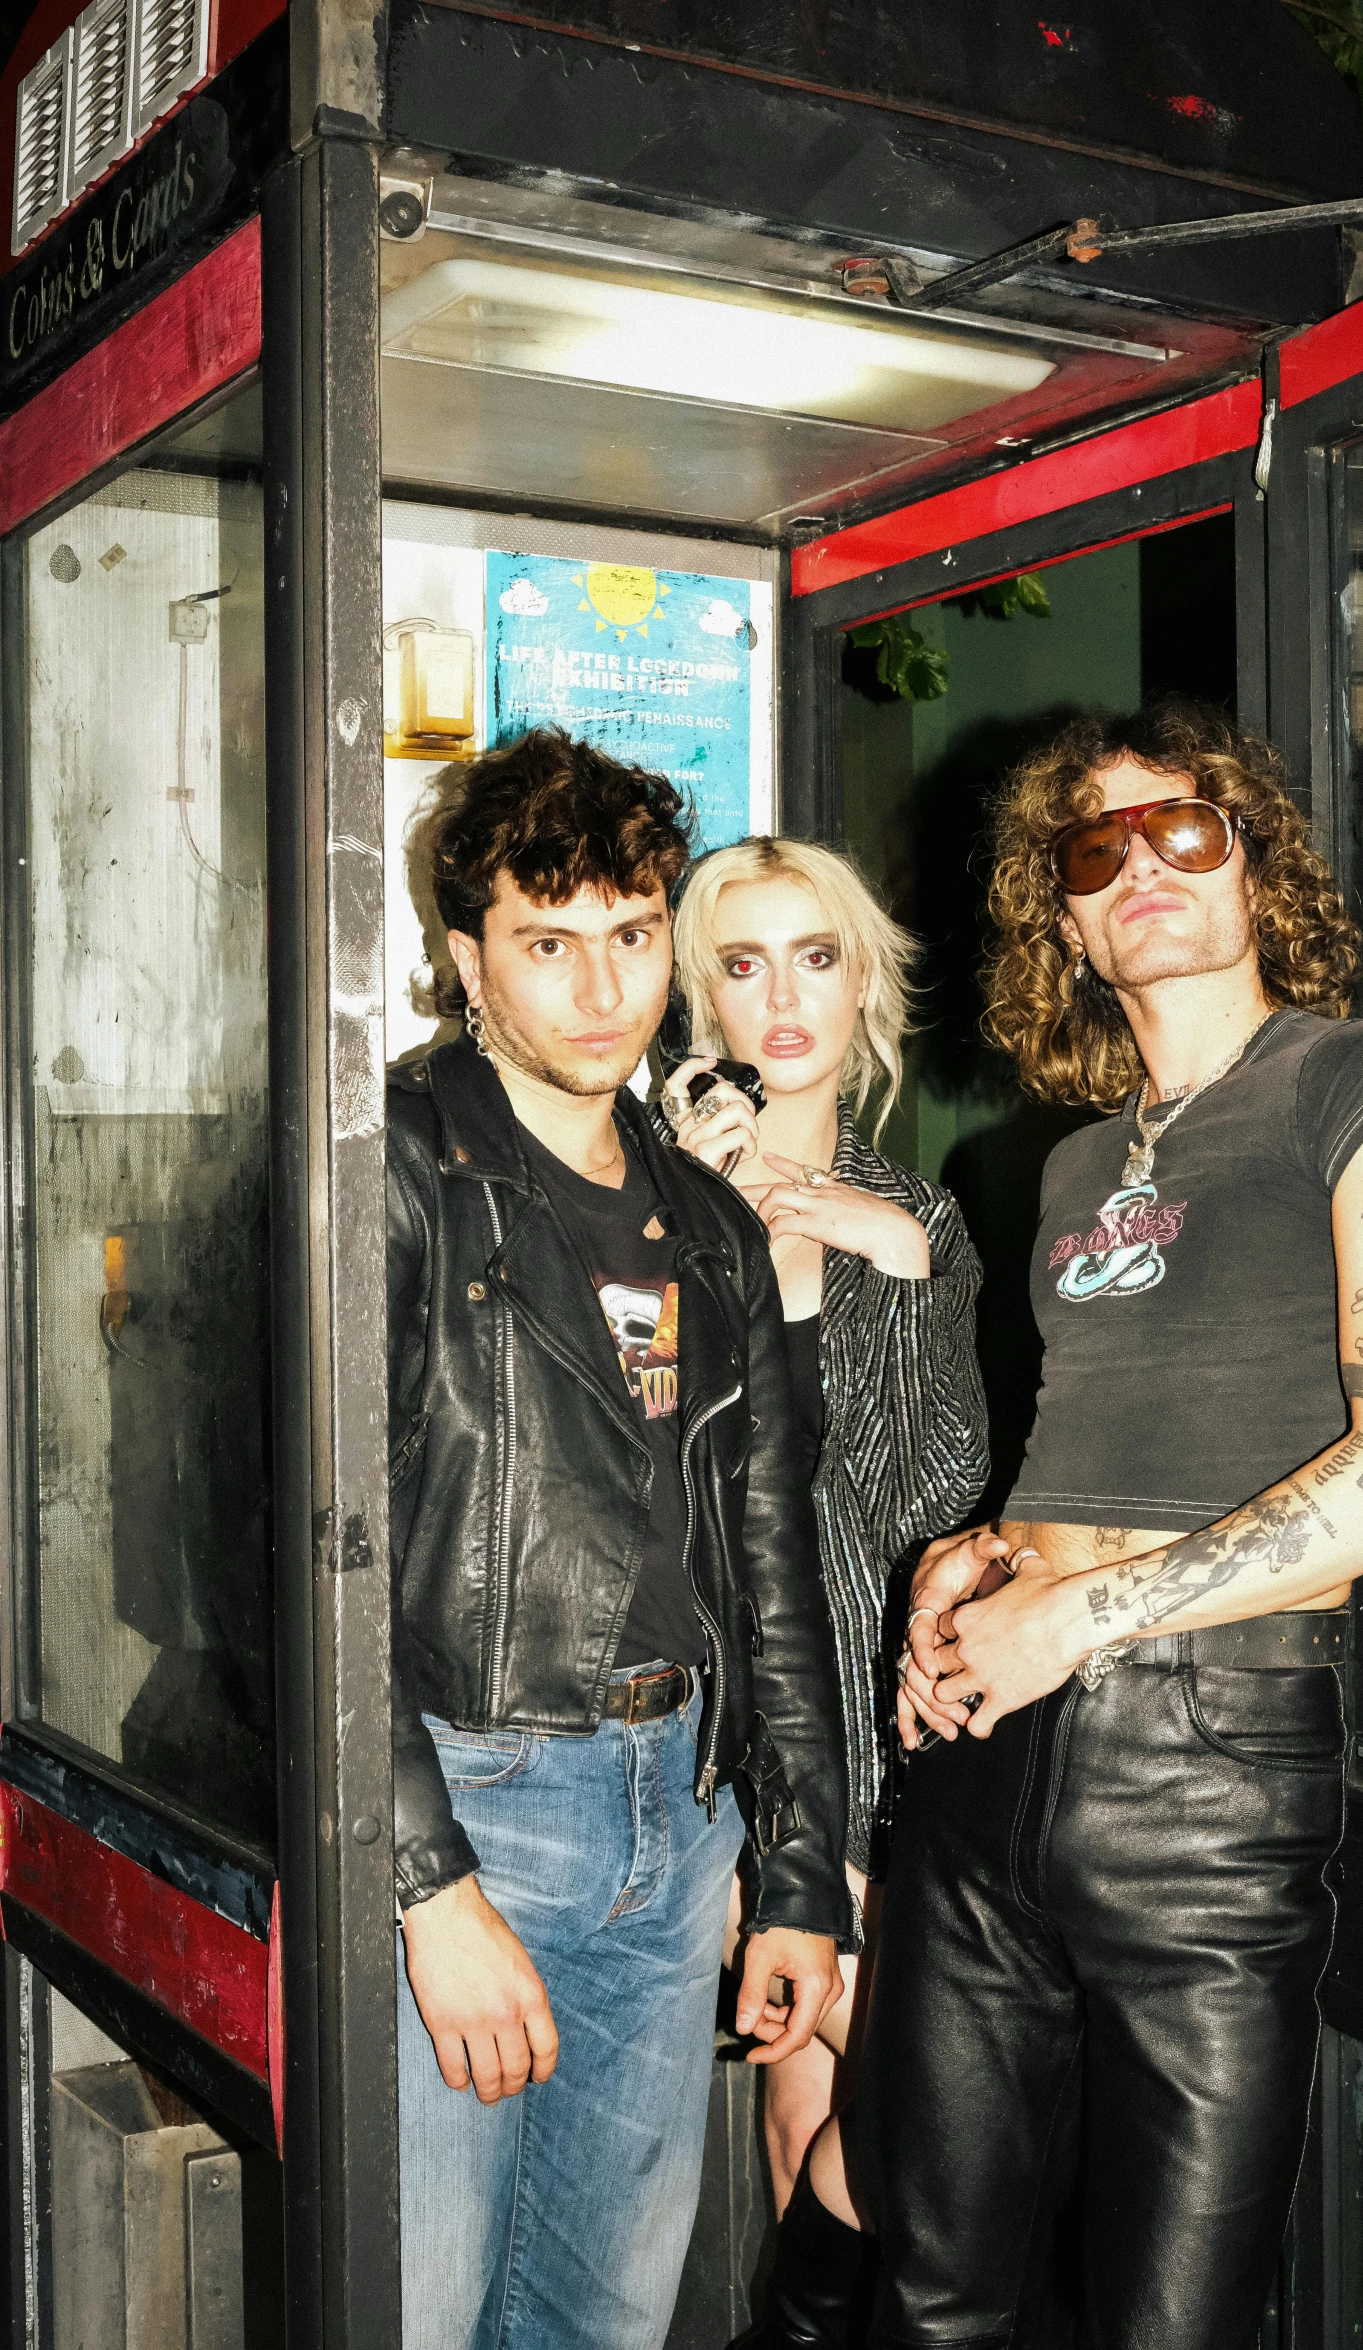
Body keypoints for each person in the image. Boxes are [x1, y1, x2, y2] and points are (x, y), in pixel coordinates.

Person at [865, 703, 1363, 2350]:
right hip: (986, 1747)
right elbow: (1100, 1437)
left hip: (1207, 1774)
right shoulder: (1074, 1163)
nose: (1139, 861)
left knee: (1172, 2322)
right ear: (1058, 918)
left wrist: (1070, 1614)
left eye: (1184, 829)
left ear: (1254, 863)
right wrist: (985, 1554)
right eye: (1094, 848)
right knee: (929, 2299)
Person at [387, 731, 853, 2350]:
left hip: (682, 1817)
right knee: (417, 2308)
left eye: (632, 933)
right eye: (546, 940)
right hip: (471, 1788)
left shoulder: (708, 1218)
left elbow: (770, 1551)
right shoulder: (390, 1168)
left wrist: (796, 1867)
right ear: (467, 959)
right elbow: (298, 1549)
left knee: (602, 2321)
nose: (601, 988)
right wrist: (421, 1881)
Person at [658, 836, 987, 2342]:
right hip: (737, 1735)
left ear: (863, 984)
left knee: (917, 2131)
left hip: (897, 1734)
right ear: (697, 997)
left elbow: (926, 1491)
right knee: (810, 2134)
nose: (780, 996)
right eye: (740, 961)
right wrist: (741, 1246)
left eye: (814, 955)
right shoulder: (649, 1204)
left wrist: (872, 1255)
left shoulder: (917, 1215)